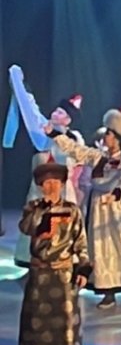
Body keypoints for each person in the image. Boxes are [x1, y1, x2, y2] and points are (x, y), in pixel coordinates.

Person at [46, 108, 121, 309]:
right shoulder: (98, 156)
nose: (105, 136)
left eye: (109, 133)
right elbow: (75, 149)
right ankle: (108, 291)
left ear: (117, 139)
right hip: (97, 205)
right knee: (100, 248)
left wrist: (115, 194)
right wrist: (54, 134)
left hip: (116, 208)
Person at [18, 162, 92, 345]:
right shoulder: (33, 208)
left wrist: (83, 269)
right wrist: (42, 211)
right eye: (47, 183)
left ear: (62, 184)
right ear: (41, 186)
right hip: (40, 274)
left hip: (64, 274)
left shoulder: (72, 210)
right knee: (36, 321)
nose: (51, 187)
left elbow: (80, 241)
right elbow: (26, 228)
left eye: (55, 182)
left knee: (64, 321)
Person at [14, 94, 85, 268]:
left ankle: (61, 263)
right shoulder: (40, 132)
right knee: (37, 222)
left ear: (68, 120)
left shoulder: (74, 138)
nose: (54, 113)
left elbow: (79, 165)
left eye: (60, 112)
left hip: (63, 190)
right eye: (55, 110)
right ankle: (34, 262)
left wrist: (76, 186)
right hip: (40, 188)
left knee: (61, 226)